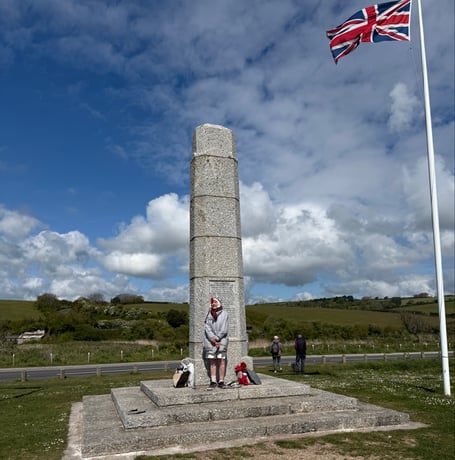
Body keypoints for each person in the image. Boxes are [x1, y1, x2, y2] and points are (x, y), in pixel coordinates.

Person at [204, 297, 229, 389]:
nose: (213, 304)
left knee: (221, 361)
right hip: (211, 342)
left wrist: (217, 338)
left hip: (221, 340)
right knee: (212, 362)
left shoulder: (224, 314)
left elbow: (224, 328)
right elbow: (207, 327)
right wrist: (212, 339)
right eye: (212, 303)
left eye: (215, 302)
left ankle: (221, 381)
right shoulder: (209, 314)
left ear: (219, 303)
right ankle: (213, 381)